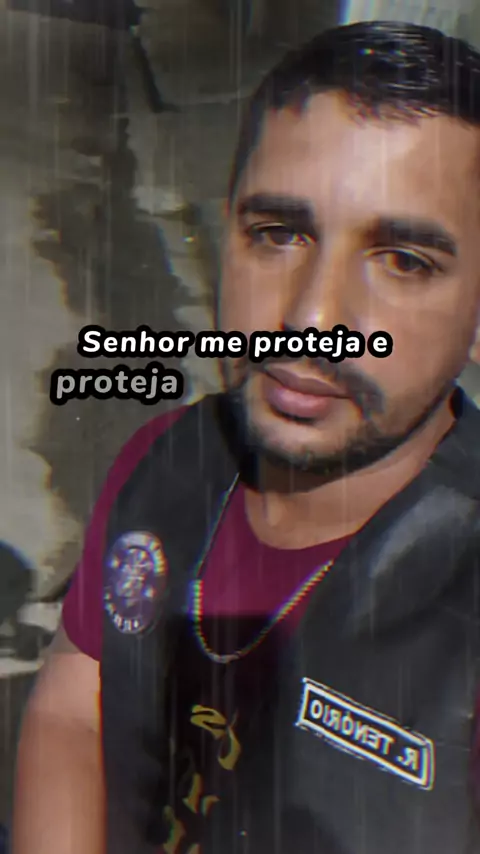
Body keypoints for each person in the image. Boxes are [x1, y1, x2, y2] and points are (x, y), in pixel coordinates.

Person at [12, 19, 480, 854]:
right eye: (278, 234)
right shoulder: (169, 458)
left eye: (403, 260)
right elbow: (75, 707)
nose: (311, 318)